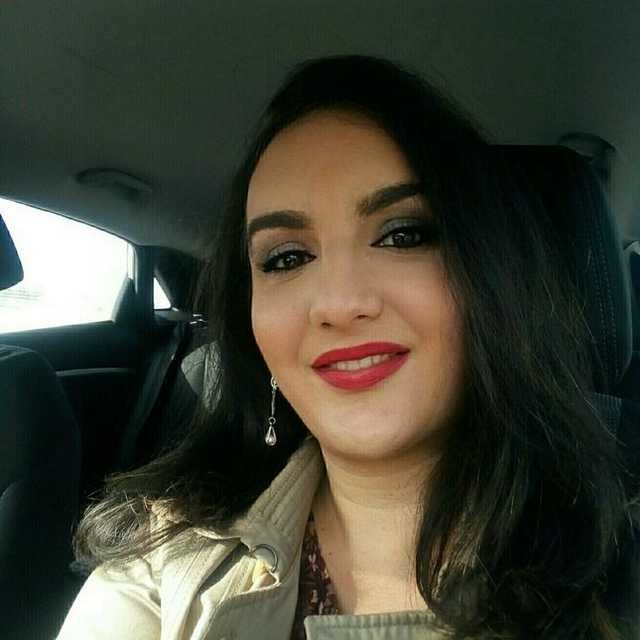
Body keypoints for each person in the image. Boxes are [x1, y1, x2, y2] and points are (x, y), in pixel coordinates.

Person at [57, 55, 633, 640]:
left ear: (490, 280)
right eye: (287, 257)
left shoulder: (618, 571)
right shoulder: (162, 573)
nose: (337, 303)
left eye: (402, 235)